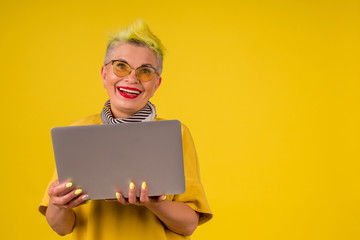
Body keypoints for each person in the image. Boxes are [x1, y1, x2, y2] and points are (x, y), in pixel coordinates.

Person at [39, 19, 212, 240]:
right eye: (121, 66)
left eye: (146, 71)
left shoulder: (175, 135)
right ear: (104, 74)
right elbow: (61, 227)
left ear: (156, 84)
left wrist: (153, 202)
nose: (132, 78)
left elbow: (188, 226)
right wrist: (59, 204)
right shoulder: (78, 133)